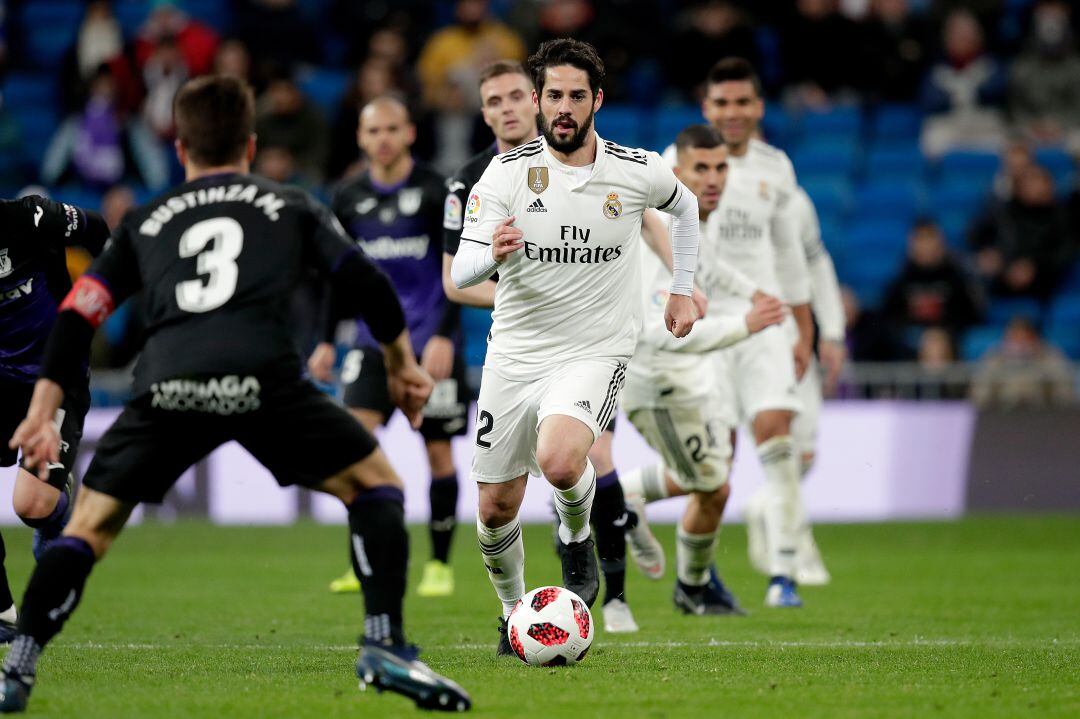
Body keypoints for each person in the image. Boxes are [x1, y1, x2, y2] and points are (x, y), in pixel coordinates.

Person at [0, 75, 469, 713]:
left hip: (168, 384)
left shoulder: (147, 219)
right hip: (266, 379)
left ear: (181, 148)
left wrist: (40, 408)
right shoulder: (290, 204)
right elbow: (364, 280)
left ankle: (19, 666)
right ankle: (384, 641)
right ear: (250, 146)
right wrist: (401, 365)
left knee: (86, 529)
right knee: (379, 485)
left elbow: (80, 313)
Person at [450, 39, 700, 653]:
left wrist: (682, 290)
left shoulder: (635, 170)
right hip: (514, 352)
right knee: (494, 507)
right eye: (554, 95)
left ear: (597, 101)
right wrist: (494, 255)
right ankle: (516, 615)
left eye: (576, 96)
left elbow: (686, 205)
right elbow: (460, 273)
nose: (564, 107)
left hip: (596, 347)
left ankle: (576, 531)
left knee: (562, 461)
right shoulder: (505, 175)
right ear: (538, 101)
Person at [636, 57, 814, 608]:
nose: (733, 113)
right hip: (702, 325)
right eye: (722, 104)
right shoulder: (672, 166)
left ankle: (784, 570)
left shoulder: (775, 167)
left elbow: (789, 249)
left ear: (758, 108)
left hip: (759, 324)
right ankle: (681, 556)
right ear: (705, 108)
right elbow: (694, 255)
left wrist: (805, 325)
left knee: (776, 431)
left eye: (743, 103)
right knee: (715, 467)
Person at [620, 125, 785, 617]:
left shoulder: (689, 225)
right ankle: (687, 583)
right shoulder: (658, 235)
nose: (712, 180)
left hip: (690, 378)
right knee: (713, 486)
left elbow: (709, 267)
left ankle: (627, 501)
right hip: (659, 383)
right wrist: (746, 324)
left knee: (711, 480)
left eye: (720, 168)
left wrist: (752, 292)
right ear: (677, 174)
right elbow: (658, 332)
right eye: (700, 170)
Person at [310, 96, 468, 598]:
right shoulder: (348, 196)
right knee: (355, 448)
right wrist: (325, 340)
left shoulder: (434, 192)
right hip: (370, 343)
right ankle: (362, 562)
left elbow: (458, 268)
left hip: (427, 343)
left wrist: (445, 333)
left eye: (391, 129)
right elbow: (337, 276)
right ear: (360, 138)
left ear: (409, 134)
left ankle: (439, 566)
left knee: (439, 454)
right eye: (373, 130)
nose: (382, 138)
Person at [0, 195, 110, 642]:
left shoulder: (30, 217)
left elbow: (99, 231)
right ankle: (3, 611)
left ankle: (55, 517)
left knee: (32, 506)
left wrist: (91, 304)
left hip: (54, 373)